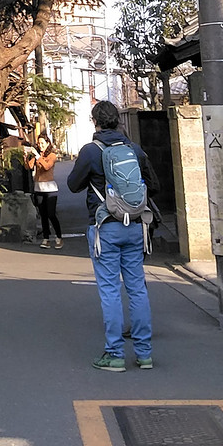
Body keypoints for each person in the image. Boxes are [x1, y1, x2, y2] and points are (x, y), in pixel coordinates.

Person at [67, 101, 156, 372]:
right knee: (137, 288)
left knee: (110, 290)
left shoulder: (91, 151)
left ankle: (115, 354)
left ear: (95, 121)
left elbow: (72, 185)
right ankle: (144, 354)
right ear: (118, 121)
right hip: (136, 226)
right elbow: (154, 185)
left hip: (105, 226)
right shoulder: (134, 149)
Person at [25, 133, 63, 249]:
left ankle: (59, 237)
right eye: (38, 143)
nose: (40, 145)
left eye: (42, 143)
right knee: (43, 215)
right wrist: (27, 156)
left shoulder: (52, 155)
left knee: (51, 214)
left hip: (50, 188)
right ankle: (46, 239)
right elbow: (29, 167)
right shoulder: (37, 155)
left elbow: (47, 167)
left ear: (47, 144)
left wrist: (37, 156)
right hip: (38, 188)